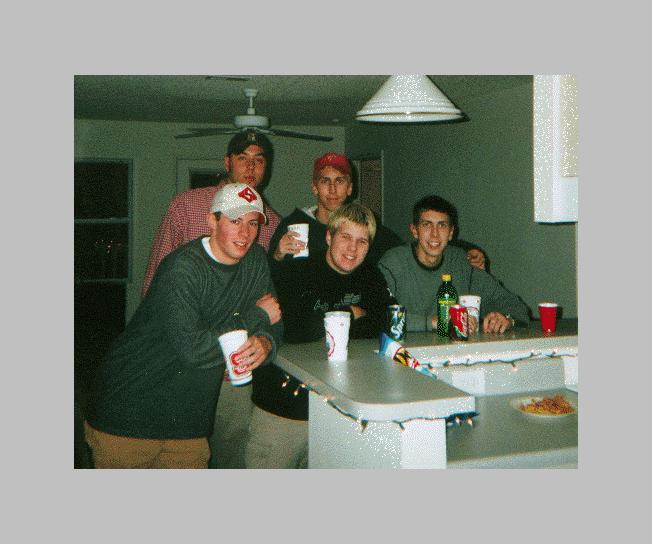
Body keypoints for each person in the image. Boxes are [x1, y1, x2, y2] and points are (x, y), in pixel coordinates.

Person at [84, 183, 283, 468]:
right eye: (235, 221)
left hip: (188, 419)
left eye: (252, 223)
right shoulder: (183, 269)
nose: (245, 233)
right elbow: (195, 349)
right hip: (128, 413)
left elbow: (274, 317)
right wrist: (257, 318)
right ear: (212, 221)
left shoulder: (255, 261)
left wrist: (266, 342)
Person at [142, 130, 280, 469]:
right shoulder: (187, 205)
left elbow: (270, 306)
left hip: (233, 372)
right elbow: (155, 283)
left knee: (230, 454)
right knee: (179, 455)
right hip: (180, 366)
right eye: (243, 158)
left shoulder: (271, 222)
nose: (251, 167)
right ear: (227, 162)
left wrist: (266, 341)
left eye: (259, 160)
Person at [245, 203, 395, 468]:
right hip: (284, 409)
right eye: (345, 237)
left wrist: (323, 321)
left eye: (362, 241)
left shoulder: (370, 275)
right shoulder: (298, 270)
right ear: (328, 237)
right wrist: (349, 312)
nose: (352, 248)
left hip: (336, 411)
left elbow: (386, 323)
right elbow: (293, 330)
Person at [269, 152, 487, 270]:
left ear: (350, 188)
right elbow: (269, 279)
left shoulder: (366, 225)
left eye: (340, 181)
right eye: (325, 181)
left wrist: (465, 250)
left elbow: (413, 247)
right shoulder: (293, 225)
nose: (333, 189)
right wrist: (278, 255)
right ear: (314, 187)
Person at [377, 194, 529, 334]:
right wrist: (439, 322)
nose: (435, 234)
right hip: (403, 351)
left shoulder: (462, 263)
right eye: (427, 225)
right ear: (414, 230)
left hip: (454, 350)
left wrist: (507, 319)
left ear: (451, 233)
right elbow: (378, 316)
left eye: (442, 225)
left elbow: (516, 306)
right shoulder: (392, 264)